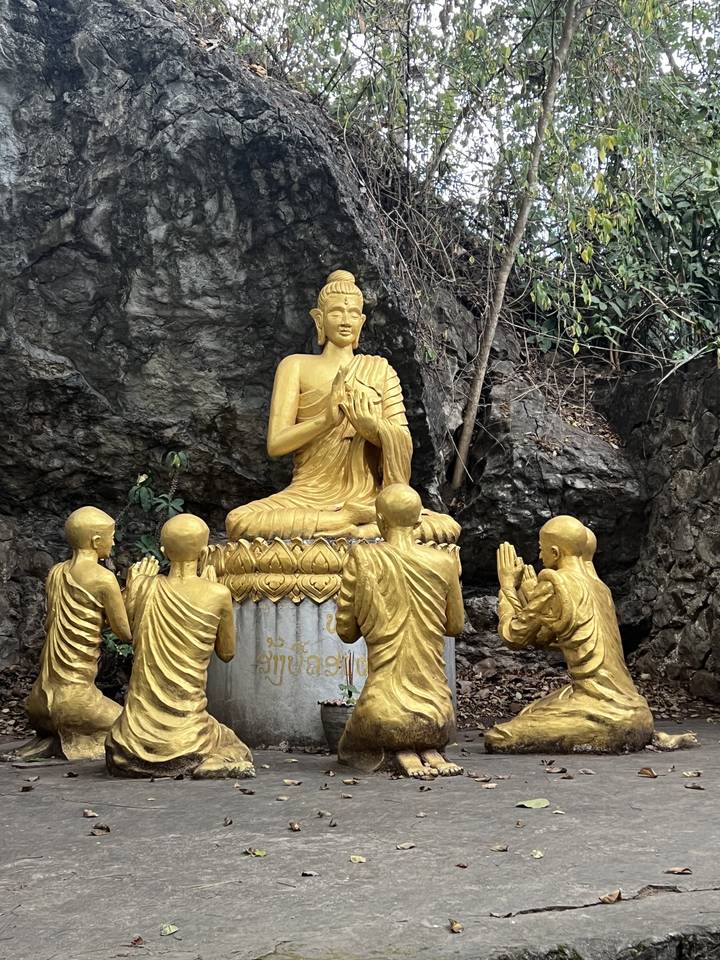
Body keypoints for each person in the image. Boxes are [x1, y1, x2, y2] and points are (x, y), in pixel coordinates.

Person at [225, 270, 459, 544]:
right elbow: (276, 444)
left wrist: (372, 428)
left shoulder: (380, 370)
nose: (345, 320)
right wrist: (325, 421)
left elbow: (402, 440)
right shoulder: (295, 366)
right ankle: (349, 522)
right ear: (319, 319)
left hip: (369, 498)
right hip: (308, 495)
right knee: (239, 521)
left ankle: (361, 527)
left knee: (445, 526)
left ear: (361, 321)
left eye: (352, 314)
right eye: (336, 312)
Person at [485, 515, 654, 753]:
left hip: (604, 708)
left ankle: (608, 732)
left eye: (541, 550)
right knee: (530, 712)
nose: (540, 557)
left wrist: (507, 588)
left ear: (555, 552)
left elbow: (514, 636)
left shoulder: (554, 582)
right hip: (635, 708)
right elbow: (554, 637)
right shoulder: (600, 588)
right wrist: (532, 598)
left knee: (499, 737)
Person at [106, 514, 254, 779]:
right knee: (232, 744)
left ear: (163, 550)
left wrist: (134, 587)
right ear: (205, 551)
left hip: (128, 742)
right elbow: (227, 653)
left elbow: (125, 634)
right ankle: (209, 762)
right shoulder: (217, 594)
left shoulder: (146, 587)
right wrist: (213, 595)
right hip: (189, 737)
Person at [335, 484, 464, 778]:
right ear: (420, 519)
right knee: (422, 725)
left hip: (382, 716)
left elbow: (346, 632)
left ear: (379, 520)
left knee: (352, 742)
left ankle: (402, 751)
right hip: (439, 717)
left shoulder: (362, 558)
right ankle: (426, 749)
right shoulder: (444, 562)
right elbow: (454, 625)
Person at [19, 507, 130, 760]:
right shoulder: (103, 578)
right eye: (112, 536)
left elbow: (77, 620)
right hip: (76, 702)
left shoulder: (56, 573)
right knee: (133, 726)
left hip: (38, 702)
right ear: (96, 541)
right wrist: (136, 590)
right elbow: (124, 632)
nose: (114, 542)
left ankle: (54, 738)